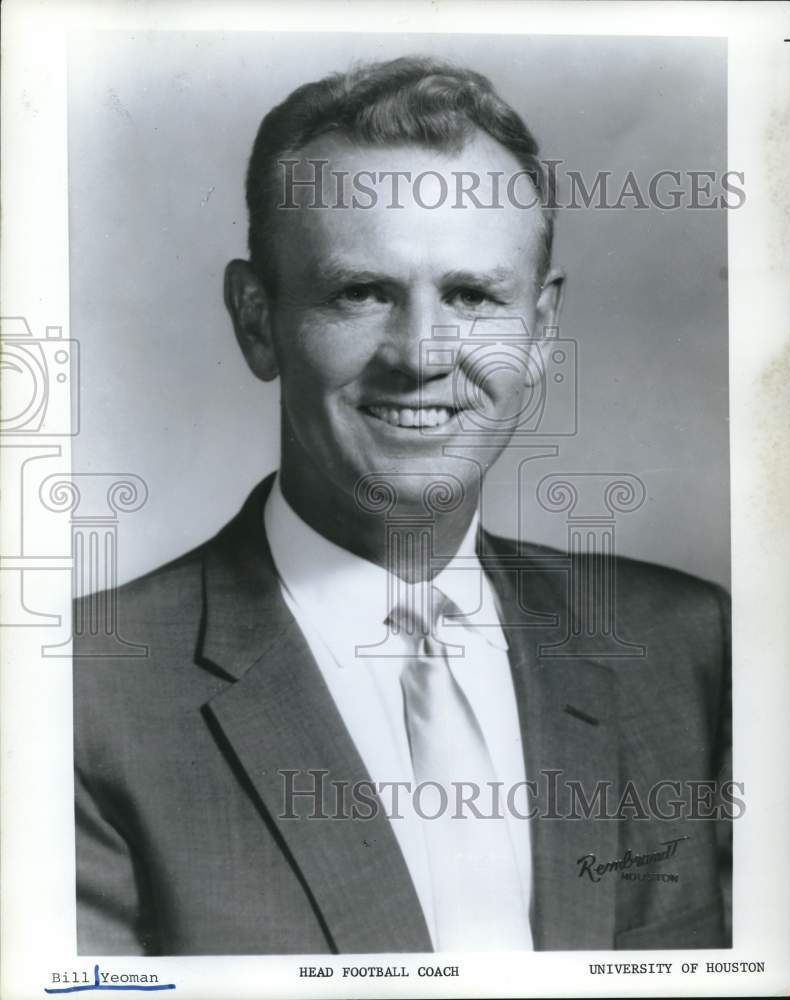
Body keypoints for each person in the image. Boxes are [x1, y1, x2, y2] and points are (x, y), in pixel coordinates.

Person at [74, 56, 731, 955]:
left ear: (539, 332)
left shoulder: (691, 650)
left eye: (472, 295)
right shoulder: (81, 696)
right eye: (362, 292)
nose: (422, 353)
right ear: (258, 320)